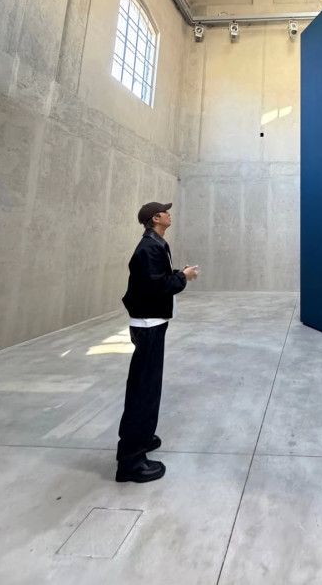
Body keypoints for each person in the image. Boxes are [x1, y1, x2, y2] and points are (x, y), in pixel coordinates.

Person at [116, 201, 199, 483]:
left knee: (148, 388)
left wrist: (179, 275)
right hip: (148, 326)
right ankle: (130, 462)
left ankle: (142, 438)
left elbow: (158, 280)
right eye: (165, 211)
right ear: (155, 218)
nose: (169, 214)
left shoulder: (155, 244)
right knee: (143, 391)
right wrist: (183, 277)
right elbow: (158, 287)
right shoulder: (148, 248)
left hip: (153, 323)